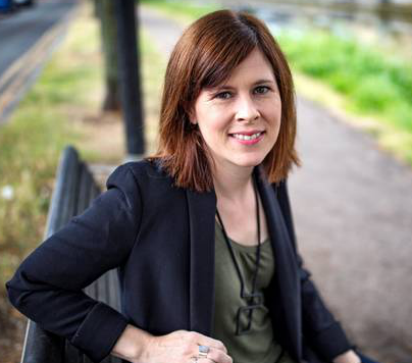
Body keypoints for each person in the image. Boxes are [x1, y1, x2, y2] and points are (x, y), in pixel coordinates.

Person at [7, 9, 371, 363]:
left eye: (261, 88)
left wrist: (344, 354)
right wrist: (145, 348)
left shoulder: (268, 176)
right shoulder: (145, 194)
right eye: (224, 94)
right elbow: (32, 284)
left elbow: (293, 273)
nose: (248, 111)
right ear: (189, 109)